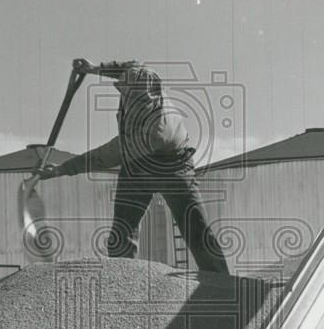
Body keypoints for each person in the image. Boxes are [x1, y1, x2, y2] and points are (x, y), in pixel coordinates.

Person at [40, 58, 230, 274]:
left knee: (195, 227)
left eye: (133, 96)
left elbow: (106, 155)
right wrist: (93, 69)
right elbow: (128, 67)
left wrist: (62, 169)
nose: (129, 100)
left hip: (172, 167)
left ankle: (221, 282)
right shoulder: (140, 80)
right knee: (121, 233)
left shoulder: (157, 130)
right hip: (137, 167)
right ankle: (122, 278)